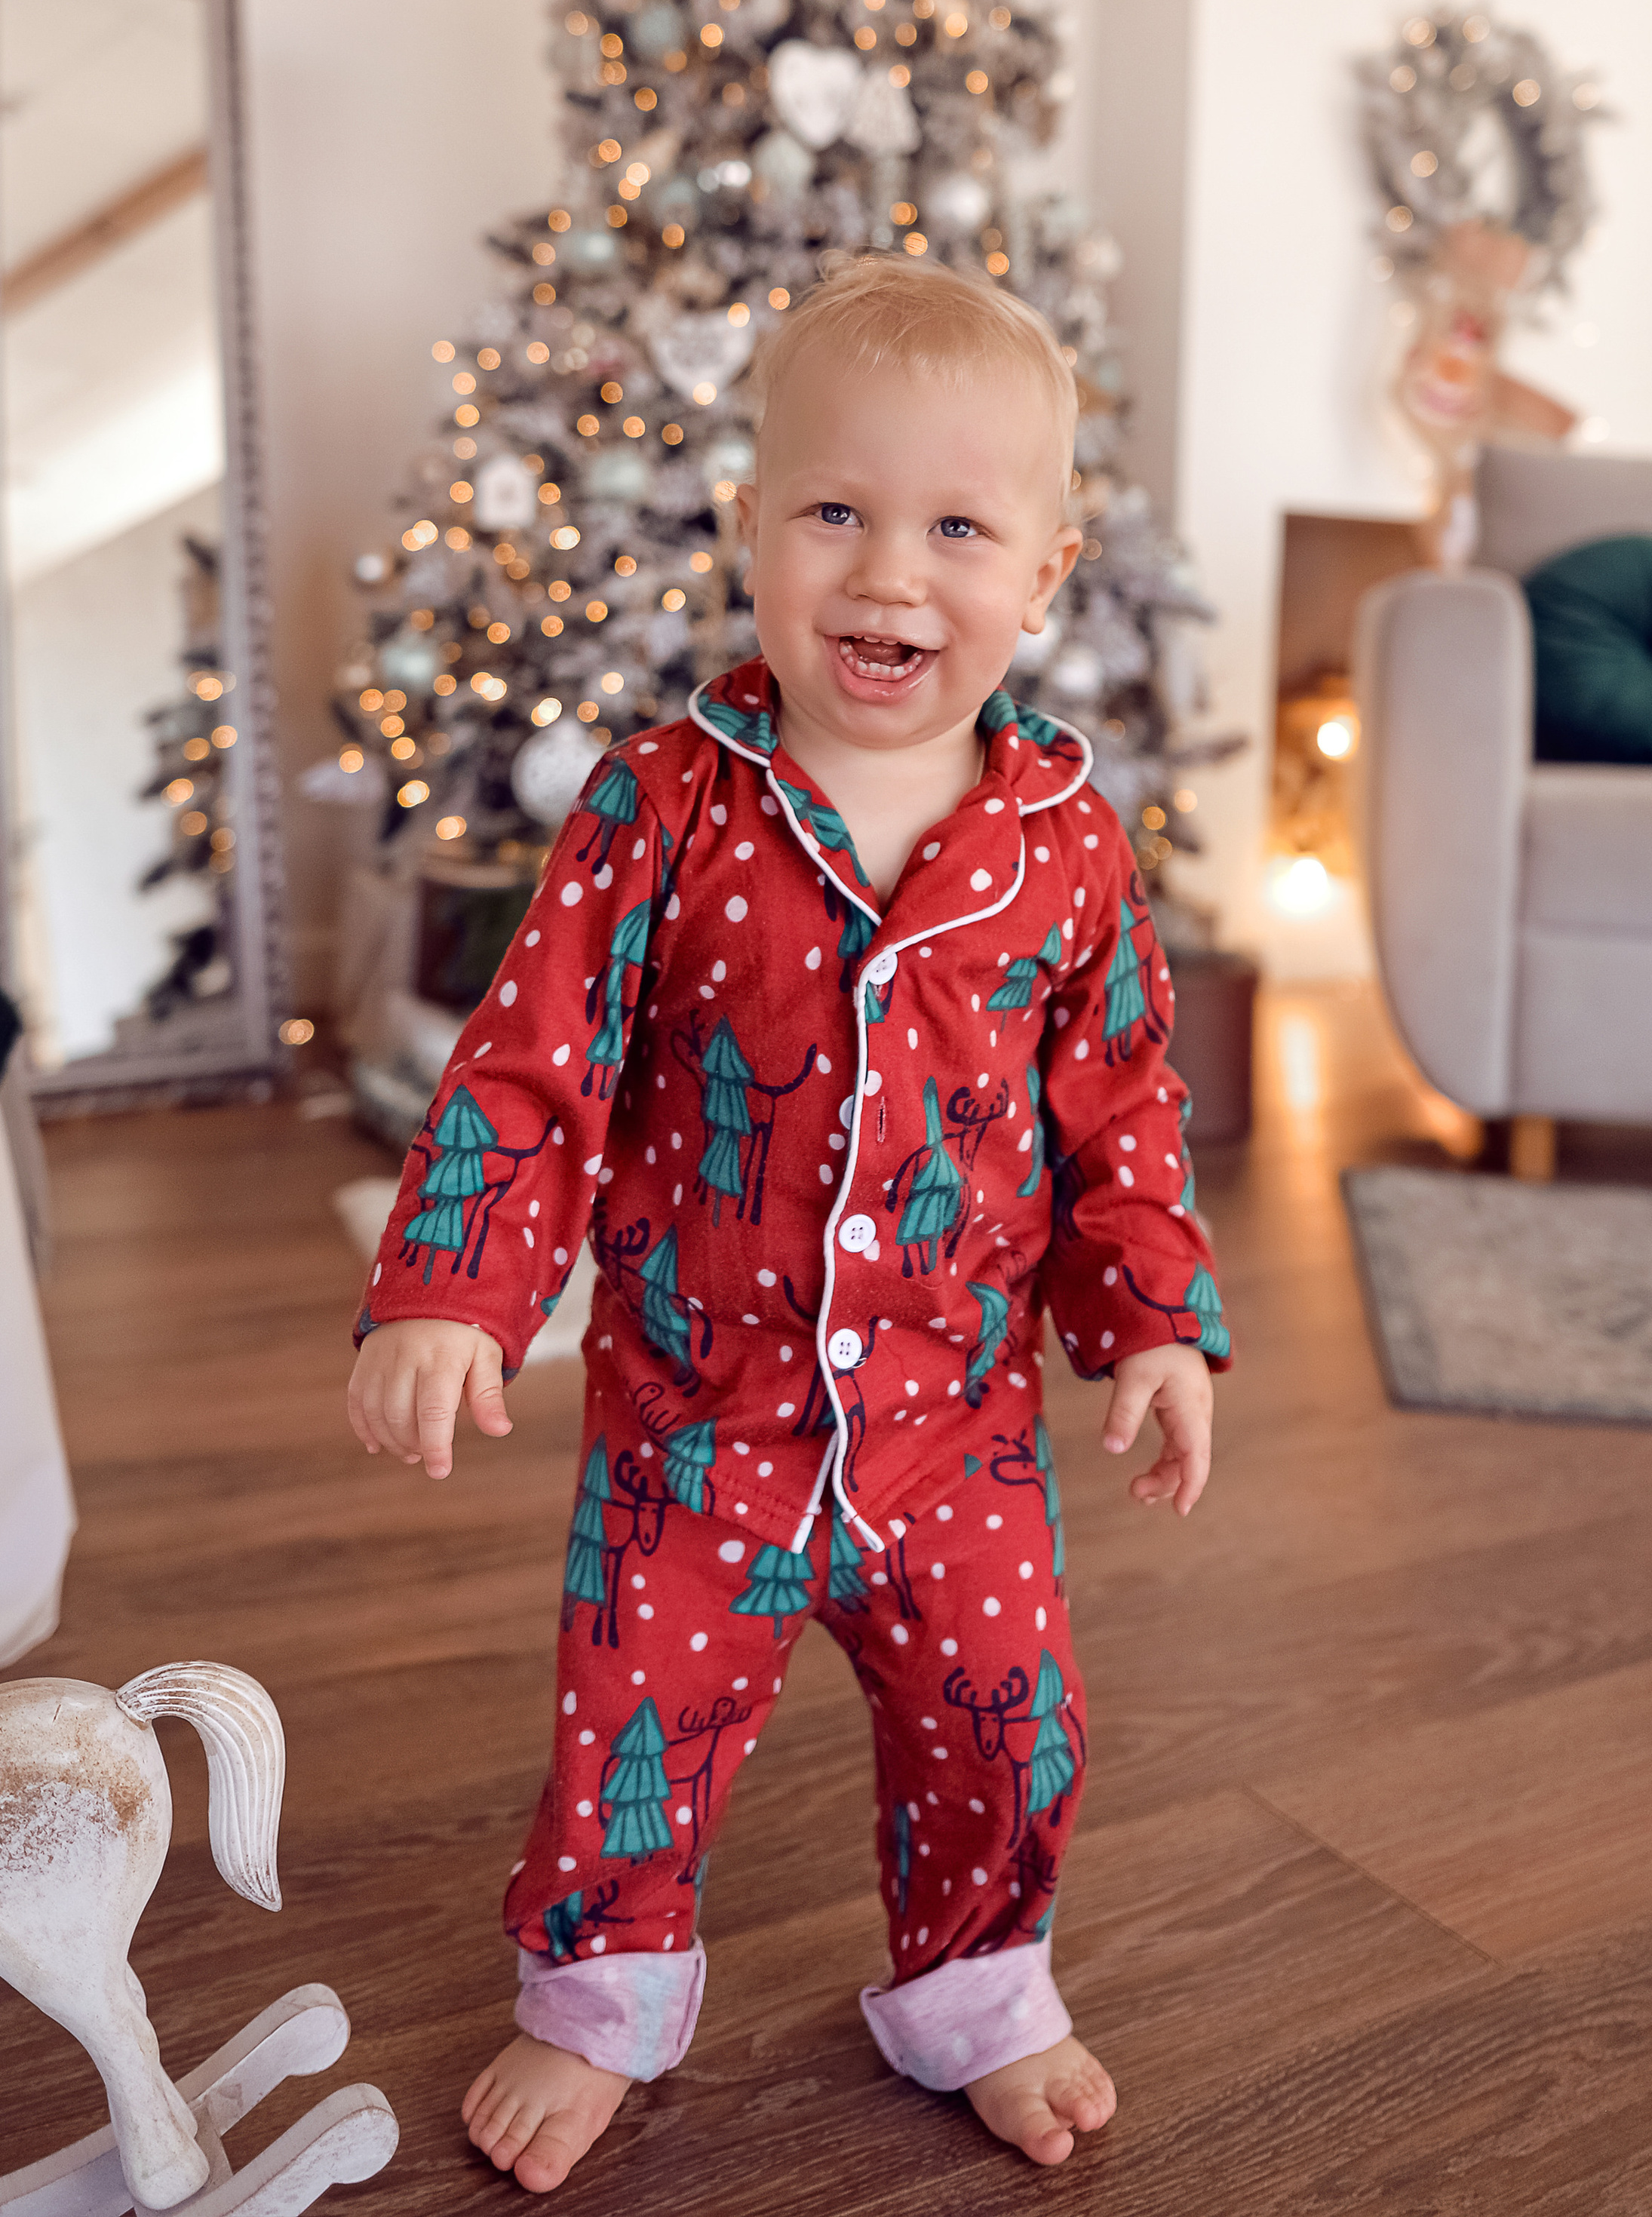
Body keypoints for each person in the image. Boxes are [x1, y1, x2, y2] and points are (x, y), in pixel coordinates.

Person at [348, 256, 1227, 2191]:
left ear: (1047, 572)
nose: (888, 574)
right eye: (832, 512)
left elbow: (1119, 1102)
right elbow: (529, 1066)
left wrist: (1153, 1324)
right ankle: (595, 1996)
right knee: (630, 1726)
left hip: (954, 1433)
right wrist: (453, 1290)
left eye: (956, 529)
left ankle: (977, 1987)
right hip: (694, 1433)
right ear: (751, 528)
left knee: (1011, 1726)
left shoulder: (1063, 847)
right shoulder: (664, 806)